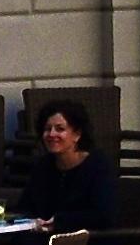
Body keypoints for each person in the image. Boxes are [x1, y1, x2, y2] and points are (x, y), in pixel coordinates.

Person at [31, 98, 116, 235]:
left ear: (77, 134)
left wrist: (60, 221)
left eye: (60, 129)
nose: (52, 134)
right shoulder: (43, 166)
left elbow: (104, 216)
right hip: (47, 238)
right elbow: (27, 206)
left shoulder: (97, 166)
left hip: (89, 241)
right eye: (47, 129)